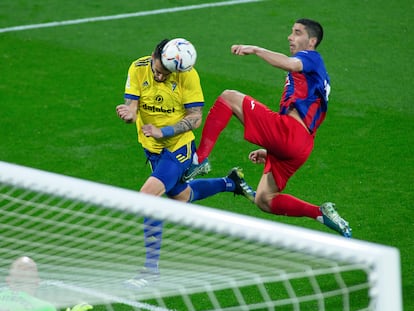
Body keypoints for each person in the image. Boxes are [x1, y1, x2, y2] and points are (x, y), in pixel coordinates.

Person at [183, 19, 352, 238]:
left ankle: (200, 159)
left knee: (228, 98)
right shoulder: (317, 76)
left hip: (291, 133)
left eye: (297, 33)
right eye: (291, 32)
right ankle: (320, 213)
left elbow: (289, 64)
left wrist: (255, 49)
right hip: (300, 145)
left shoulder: (312, 58)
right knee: (264, 199)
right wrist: (274, 148)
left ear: (312, 41)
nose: (290, 37)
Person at [116, 38, 256, 289]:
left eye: (165, 74)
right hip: (151, 149)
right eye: (158, 71)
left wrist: (164, 131)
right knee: (182, 196)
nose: (160, 77)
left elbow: (195, 118)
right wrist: (129, 115)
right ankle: (230, 182)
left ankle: (150, 271)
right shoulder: (138, 67)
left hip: (178, 146)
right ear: (154, 54)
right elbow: (132, 106)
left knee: (147, 197)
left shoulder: (187, 76)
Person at [0, 256, 92, 311]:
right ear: (9, 280)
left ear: (37, 281)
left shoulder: (45, 307)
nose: (25, 272)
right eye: (20, 268)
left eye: (30, 269)